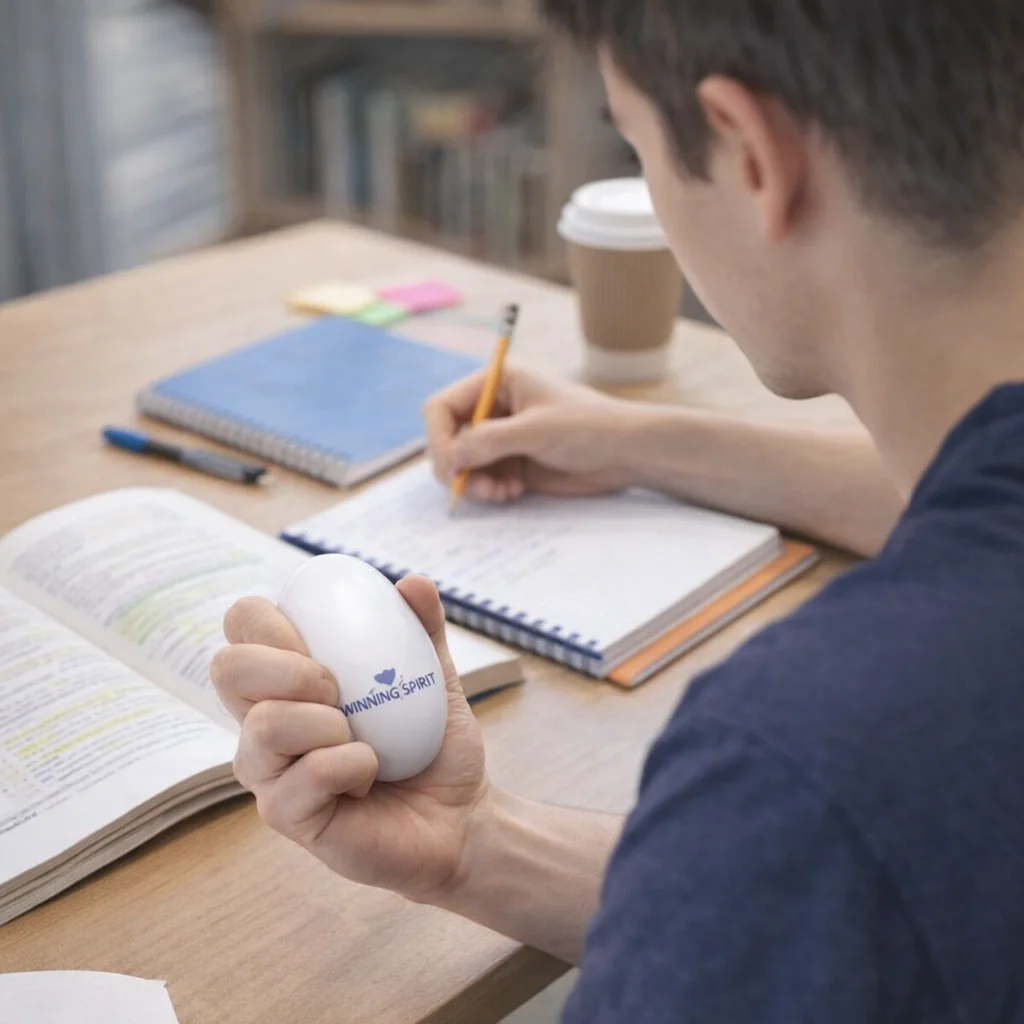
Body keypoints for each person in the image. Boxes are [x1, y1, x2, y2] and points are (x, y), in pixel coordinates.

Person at [211, 1, 1024, 1019]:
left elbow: (805, 870)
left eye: (638, 150)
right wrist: (474, 844)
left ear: (747, 151)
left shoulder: (809, 766)